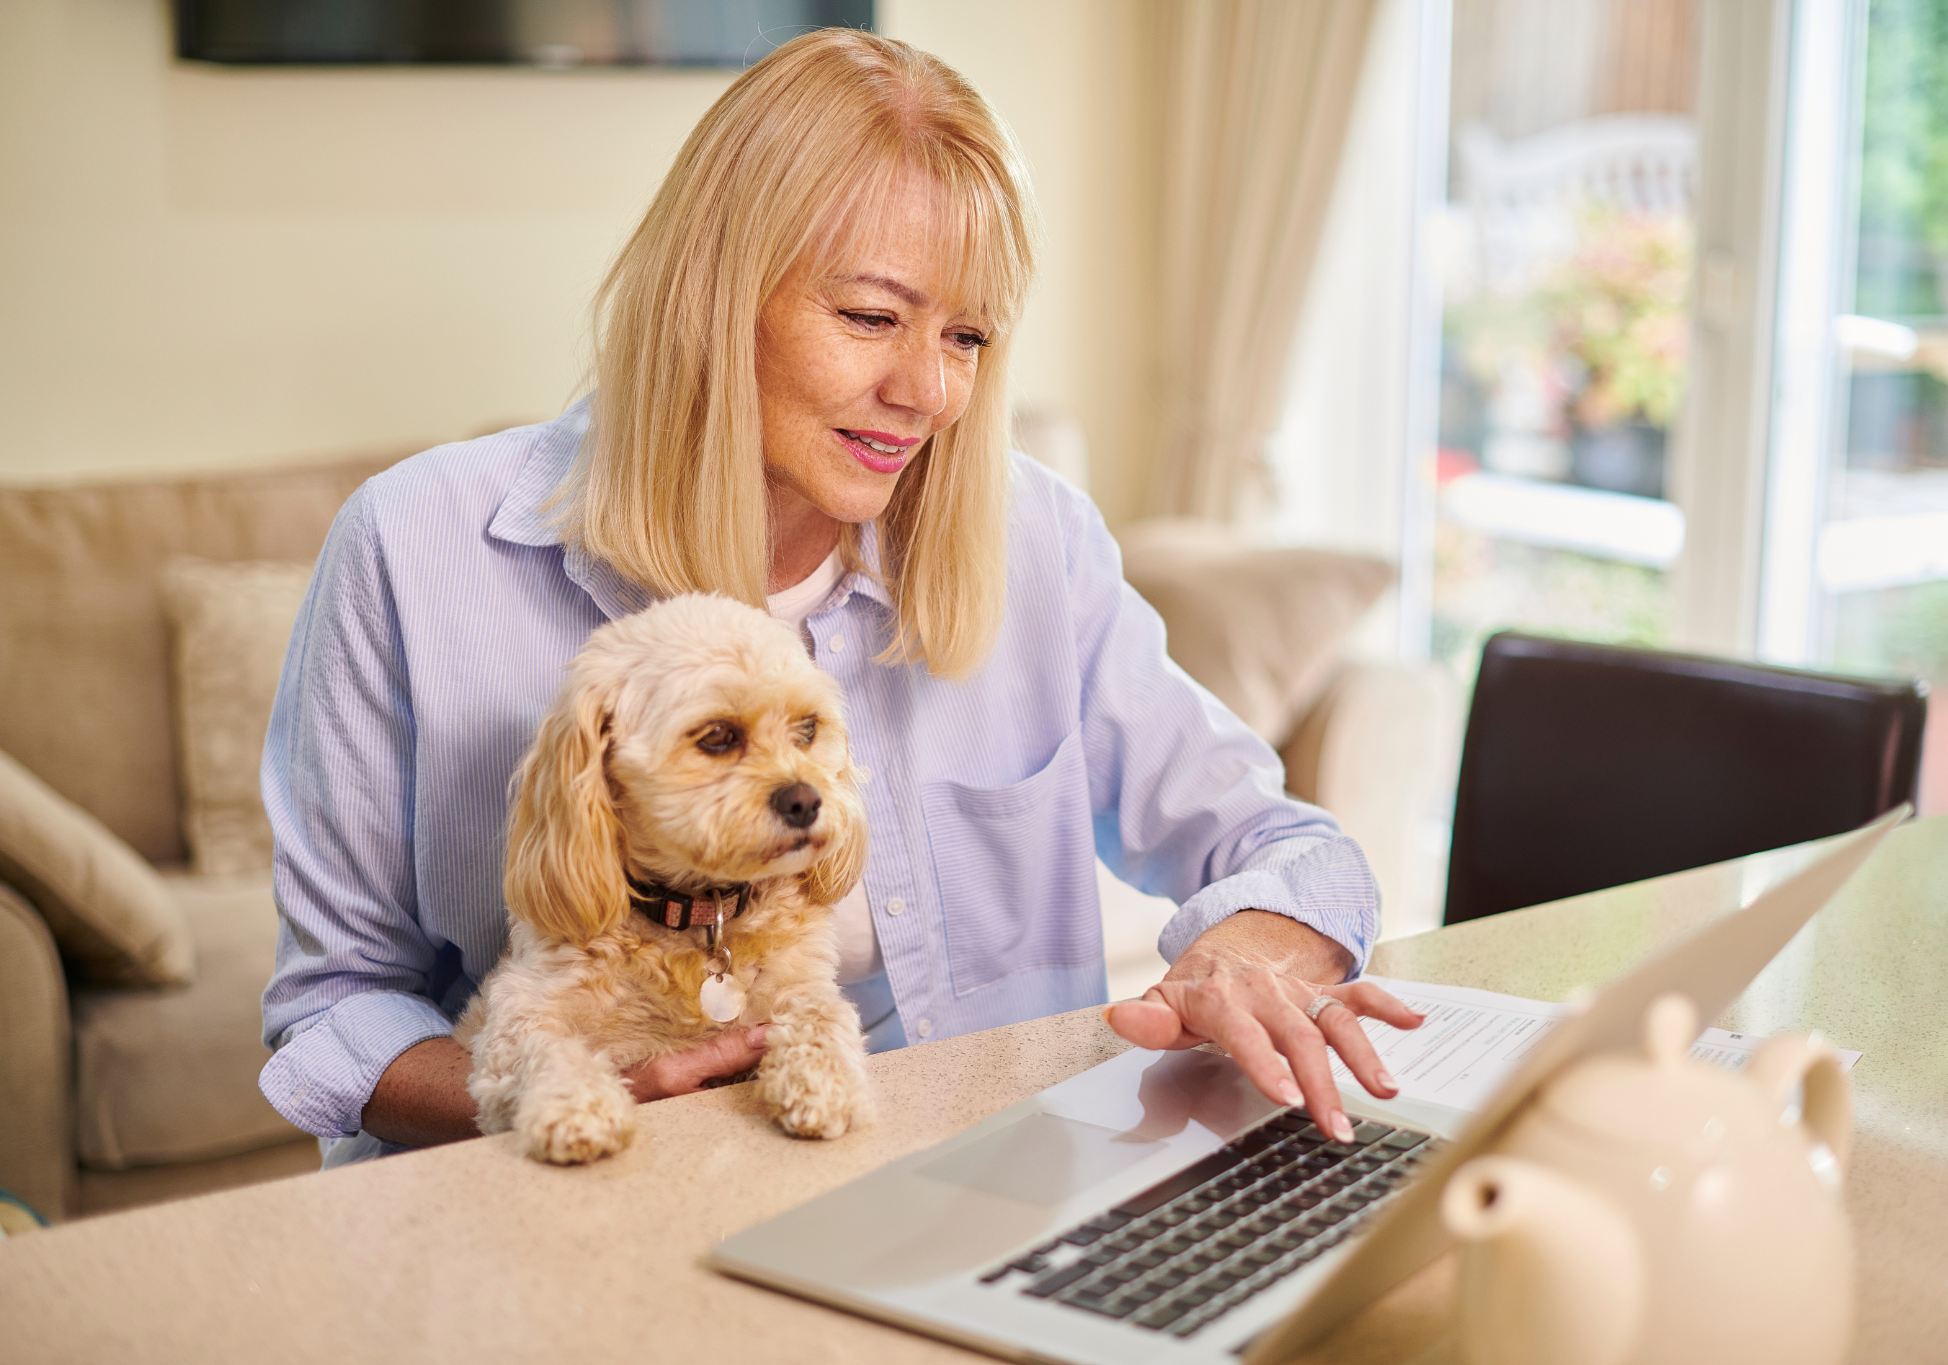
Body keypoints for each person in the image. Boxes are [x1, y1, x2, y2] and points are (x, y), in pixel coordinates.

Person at [259, 28, 1421, 1169]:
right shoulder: (413, 547)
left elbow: (1281, 844)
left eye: (965, 334)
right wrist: (557, 1093)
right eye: (870, 316)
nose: (926, 391)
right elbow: (337, 1013)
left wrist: (1254, 946)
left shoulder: (1035, 541)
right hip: (576, 1218)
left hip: (984, 1198)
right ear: (711, 297)